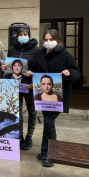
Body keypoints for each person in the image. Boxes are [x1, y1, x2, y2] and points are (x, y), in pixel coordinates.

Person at [37, 29, 80, 167]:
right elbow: (34, 70)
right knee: (47, 122)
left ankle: (50, 155)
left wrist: (70, 72)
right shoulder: (40, 54)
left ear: (58, 40)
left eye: (51, 39)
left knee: (49, 122)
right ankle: (44, 151)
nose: (48, 42)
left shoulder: (65, 55)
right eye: (46, 39)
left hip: (58, 96)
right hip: (42, 96)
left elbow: (77, 71)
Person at [5, 27, 47, 150]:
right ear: (16, 37)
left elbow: (41, 69)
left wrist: (32, 74)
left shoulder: (37, 50)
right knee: (17, 111)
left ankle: (29, 136)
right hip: (15, 86)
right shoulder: (12, 49)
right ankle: (19, 135)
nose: (23, 36)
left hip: (30, 86)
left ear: (29, 35)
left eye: (25, 34)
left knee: (32, 111)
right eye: (20, 34)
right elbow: (9, 67)